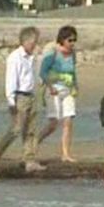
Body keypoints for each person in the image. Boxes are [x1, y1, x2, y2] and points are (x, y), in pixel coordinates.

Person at [0, 26, 46, 173]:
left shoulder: (32, 57)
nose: (35, 44)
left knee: (31, 130)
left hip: (30, 95)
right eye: (33, 41)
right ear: (26, 41)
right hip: (19, 96)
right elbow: (11, 80)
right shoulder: (15, 57)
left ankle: (29, 160)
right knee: (16, 129)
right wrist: (11, 101)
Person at [38, 25, 79, 163]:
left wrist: (75, 86)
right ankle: (33, 146)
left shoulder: (73, 54)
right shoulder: (53, 54)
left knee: (68, 121)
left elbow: (73, 72)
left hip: (68, 91)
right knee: (53, 124)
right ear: (62, 40)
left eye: (74, 40)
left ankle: (66, 154)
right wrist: (50, 87)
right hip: (54, 90)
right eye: (70, 40)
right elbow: (43, 72)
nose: (72, 43)